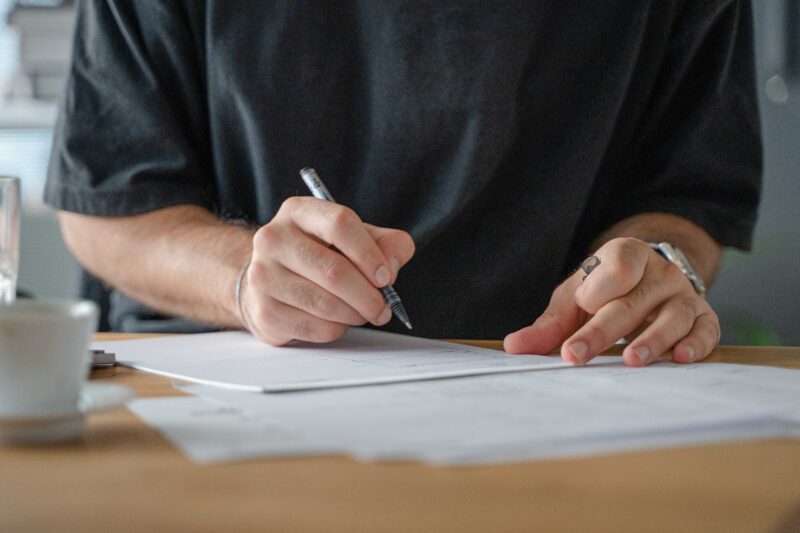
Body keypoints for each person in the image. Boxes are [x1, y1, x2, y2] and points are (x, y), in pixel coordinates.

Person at [45, 1, 762, 367]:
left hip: (549, 376)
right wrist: (241, 277)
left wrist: (654, 265)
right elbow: (107, 208)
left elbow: (686, 192)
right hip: (222, 387)